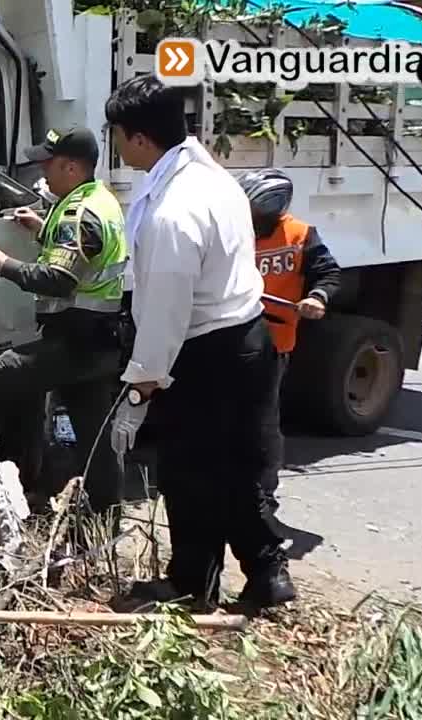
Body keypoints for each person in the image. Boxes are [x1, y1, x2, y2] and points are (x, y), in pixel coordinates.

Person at [106, 76, 291, 610]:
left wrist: (140, 389)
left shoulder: (174, 211)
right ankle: (263, 574)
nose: (117, 146)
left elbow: (165, 313)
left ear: (140, 138)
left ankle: (193, 583)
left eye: (119, 135)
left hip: (206, 350)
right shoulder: (209, 175)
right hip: (245, 338)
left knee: (188, 474)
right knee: (234, 468)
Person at [0, 128, 127, 513]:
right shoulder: (98, 200)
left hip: (71, 341)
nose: (43, 170)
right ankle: (104, 513)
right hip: (99, 340)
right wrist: (41, 229)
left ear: (72, 167)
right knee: (93, 431)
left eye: (50, 163)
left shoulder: (79, 212)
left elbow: (59, 280)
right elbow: (83, 257)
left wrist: (4, 264)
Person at [237, 168, 341, 515]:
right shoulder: (235, 233)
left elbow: (328, 272)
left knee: (263, 420)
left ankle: (263, 492)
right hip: (233, 334)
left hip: (273, 339)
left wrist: (318, 297)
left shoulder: (299, 235)